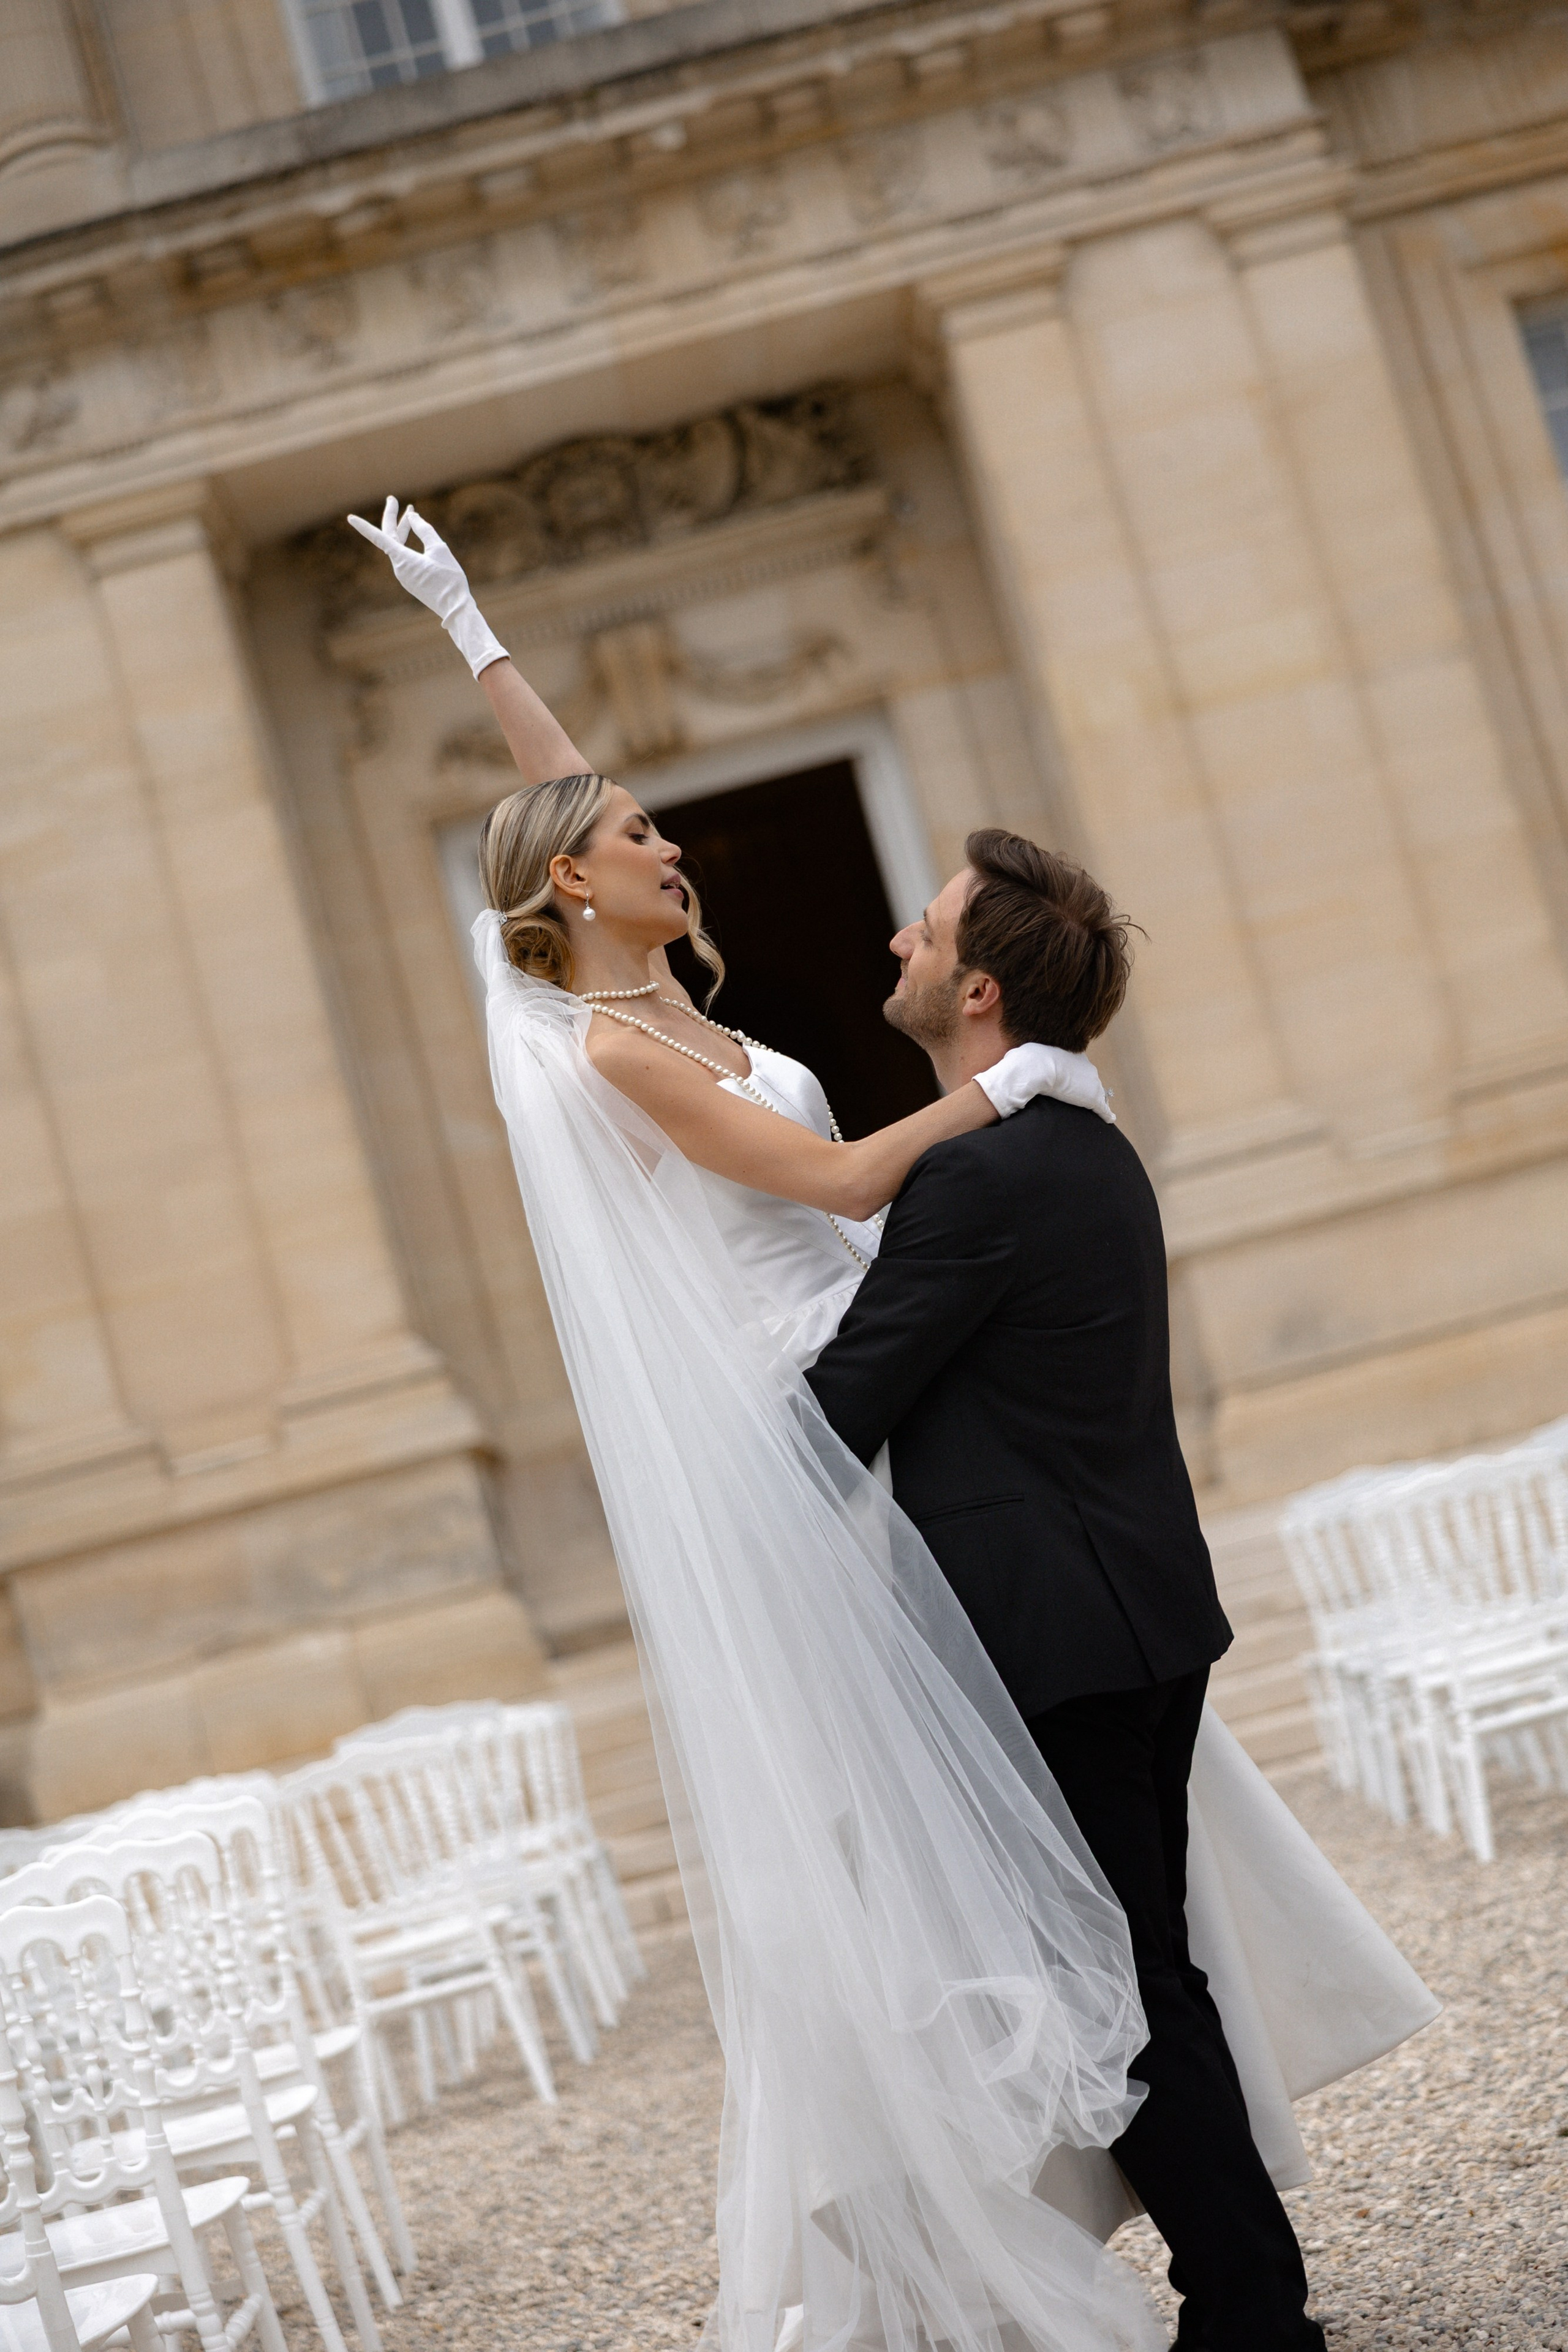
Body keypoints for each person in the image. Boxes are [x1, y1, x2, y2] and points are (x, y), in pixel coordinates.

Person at [347, 499, 1438, 2352]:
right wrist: (1015, 1090)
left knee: (1089, 1868)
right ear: (576, 890)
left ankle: (1180, 2178)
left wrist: (473, 637)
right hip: (816, 1419)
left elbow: (564, 792)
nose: (669, 842)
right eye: (638, 838)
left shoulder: (646, 982)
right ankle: (1045, 2194)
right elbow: (849, 1183)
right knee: (1002, 1865)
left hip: (905, 1382)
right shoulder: (606, 1049)